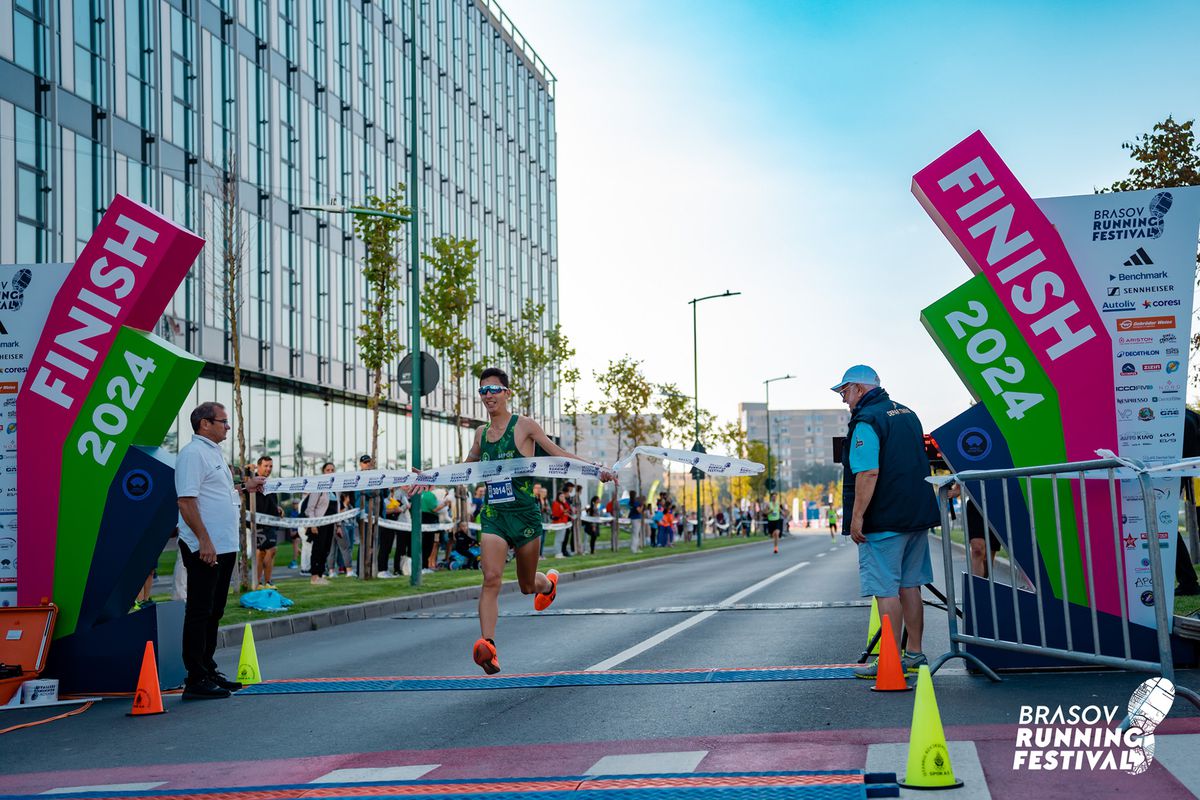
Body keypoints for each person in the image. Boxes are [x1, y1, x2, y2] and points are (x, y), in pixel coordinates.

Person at [442, 367, 615, 675]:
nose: (488, 396)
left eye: (494, 390)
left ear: (507, 393)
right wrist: (428, 479)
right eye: (483, 391)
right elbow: (464, 469)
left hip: (524, 516)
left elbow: (558, 454)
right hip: (494, 516)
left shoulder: (524, 426)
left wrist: (595, 469)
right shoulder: (481, 434)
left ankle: (547, 585)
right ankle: (488, 647)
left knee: (526, 585)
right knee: (491, 578)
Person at [833, 365, 940, 680]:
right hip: (916, 514)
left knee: (886, 589)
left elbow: (868, 472)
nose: (843, 399)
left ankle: (891, 660)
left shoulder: (867, 420)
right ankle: (915, 654)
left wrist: (857, 517)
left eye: (845, 391)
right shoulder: (907, 413)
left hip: (884, 518)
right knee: (910, 585)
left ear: (859, 389)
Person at [175, 401, 265, 699]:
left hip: (223, 546)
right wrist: (204, 540)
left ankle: (208, 668)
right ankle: (195, 678)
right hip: (205, 547)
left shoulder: (214, 452)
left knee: (215, 611)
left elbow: (217, 493)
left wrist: (246, 486)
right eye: (223, 421)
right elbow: (186, 501)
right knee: (200, 610)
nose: (227, 426)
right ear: (205, 424)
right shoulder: (192, 454)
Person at [303, 462, 337, 585]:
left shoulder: (335, 488)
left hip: (330, 524)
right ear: (323, 472)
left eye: (332, 470)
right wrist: (313, 524)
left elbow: (337, 508)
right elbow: (310, 508)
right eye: (328, 470)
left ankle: (321, 575)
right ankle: (314, 576)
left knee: (326, 549)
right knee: (318, 549)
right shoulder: (318, 486)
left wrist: (338, 525)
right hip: (319, 524)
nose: (330, 472)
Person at [253, 456, 282, 588]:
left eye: (270, 466)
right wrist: (247, 471)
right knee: (261, 552)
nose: (268, 469)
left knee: (271, 550)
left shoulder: (270, 482)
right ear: (258, 466)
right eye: (266, 466)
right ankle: (258, 583)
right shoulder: (252, 480)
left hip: (270, 522)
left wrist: (278, 508)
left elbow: (271, 502)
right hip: (258, 522)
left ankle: (268, 582)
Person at [333, 492, 357, 577]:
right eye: (348, 497)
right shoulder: (341, 506)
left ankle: (346, 566)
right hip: (344, 527)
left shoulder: (350, 506)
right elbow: (339, 515)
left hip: (351, 527)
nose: (349, 498)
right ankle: (342, 566)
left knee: (350, 547)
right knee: (343, 548)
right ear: (345, 497)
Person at [552, 486, 573, 557]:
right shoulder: (556, 503)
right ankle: (557, 553)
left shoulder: (563, 503)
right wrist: (563, 512)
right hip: (558, 523)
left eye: (563, 496)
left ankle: (560, 552)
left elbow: (569, 510)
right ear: (558, 497)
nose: (562, 498)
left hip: (564, 523)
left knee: (562, 539)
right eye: (561, 496)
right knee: (558, 538)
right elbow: (556, 514)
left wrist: (565, 502)